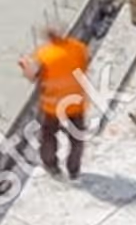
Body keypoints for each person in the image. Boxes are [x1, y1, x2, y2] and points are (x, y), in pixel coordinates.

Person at [18, 25, 89, 179]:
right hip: (75, 103)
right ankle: (74, 169)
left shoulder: (43, 54)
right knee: (77, 138)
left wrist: (24, 65)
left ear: (48, 38)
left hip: (52, 106)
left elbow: (32, 77)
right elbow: (84, 67)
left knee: (48, 136)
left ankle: (51, 165)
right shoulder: (78, 48)